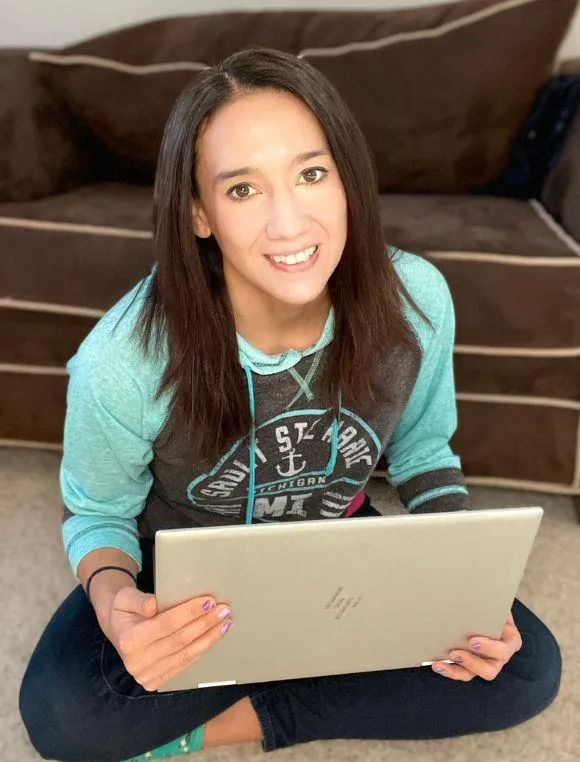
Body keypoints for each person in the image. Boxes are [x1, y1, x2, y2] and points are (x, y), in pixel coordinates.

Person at [19, 48, 561, 762]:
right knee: (64, 715)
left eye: (311, 174)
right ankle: (313, 671)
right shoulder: (123, 360)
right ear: (199, 214)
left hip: (339, 542)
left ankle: (222, 725)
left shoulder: (417, 301)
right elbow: (98, 513)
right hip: (190, 575)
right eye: (243, 190)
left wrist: (458, 587)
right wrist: (118, 606)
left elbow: (425, 454)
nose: (288, 223)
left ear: (345, 179)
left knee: (523, 667)